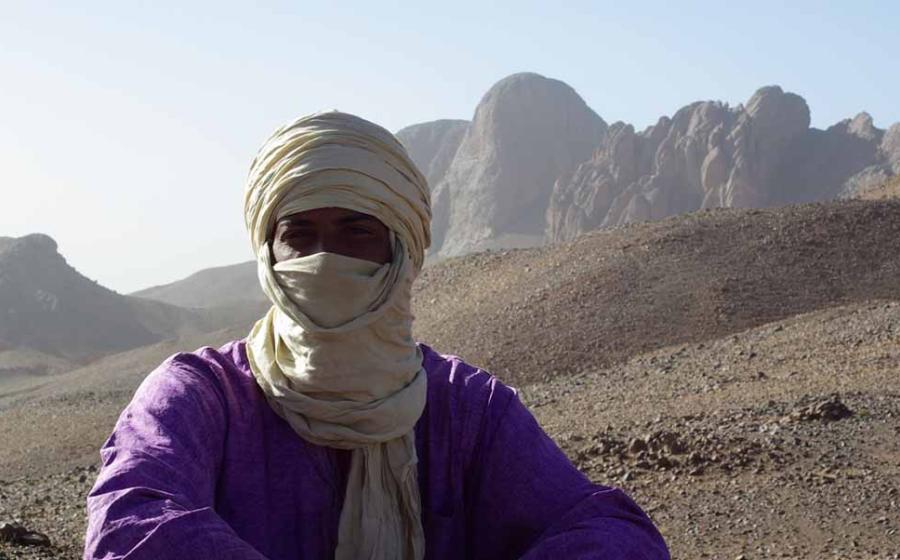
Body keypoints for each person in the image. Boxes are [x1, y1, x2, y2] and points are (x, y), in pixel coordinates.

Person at [84, 111, 669, 560]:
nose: (324, 259)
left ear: (402, 252)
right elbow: (132, 523)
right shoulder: (201, 396)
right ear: (267, 253)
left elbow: (607, 532)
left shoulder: (468, 410)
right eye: (299, 234)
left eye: (356, 230)